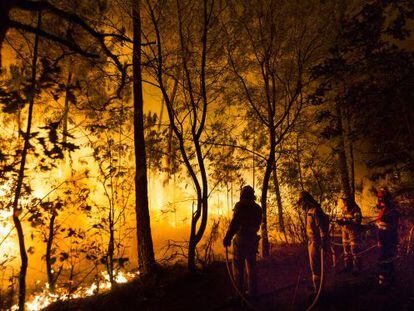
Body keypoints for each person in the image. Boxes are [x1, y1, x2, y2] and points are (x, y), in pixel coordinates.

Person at [223, 185, 262, 299]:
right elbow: (257, 224)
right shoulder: (258, 208)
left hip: (241, 240)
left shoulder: (240, 206)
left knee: (238, 268)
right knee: (252, 267)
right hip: (252, 240)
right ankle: (253, 293)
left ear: (243, 194)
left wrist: (228, 237)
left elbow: (235, 223)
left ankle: (239, 295)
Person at [298, 191, 330, 291]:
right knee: (314, 265)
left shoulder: (315, 211)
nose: (301, 205)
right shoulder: (309, 212)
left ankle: (319, 291)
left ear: (306, 201)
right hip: (311, 242)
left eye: (301, 202)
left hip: (317, 243)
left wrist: (323, 242)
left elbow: (322, 228)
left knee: (316, 266)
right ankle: (317, 287)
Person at [375, 187, 399, 288]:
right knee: (385, 260)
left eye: (381, 198)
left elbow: (389, 227)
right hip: (383, 239)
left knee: (386, 260)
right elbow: (380, 224)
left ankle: (386, 283)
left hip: (388, 240)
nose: (379, 201)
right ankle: (386, 280)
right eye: (379, 198)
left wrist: (381, 240)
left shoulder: (391, 211)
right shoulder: (385, 210)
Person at [336, 195, 362, 275]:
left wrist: (347, 222)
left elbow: (358, 221)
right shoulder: (343, 208)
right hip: (345, 231)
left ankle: (356, 269)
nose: (344, 202)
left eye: (345, 200)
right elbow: (341, 217)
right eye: (343, 200)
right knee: (346, 250)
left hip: (353, 231)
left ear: (350, 200)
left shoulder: (356, 208)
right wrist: (339, 221)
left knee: (354, 250)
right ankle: (348, 266)